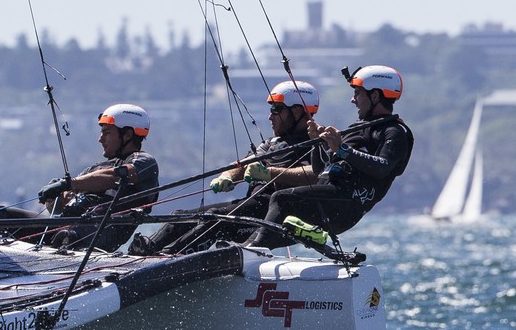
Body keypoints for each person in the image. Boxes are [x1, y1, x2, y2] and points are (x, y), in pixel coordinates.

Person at [134, 80, 322, 254]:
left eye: (276, 109)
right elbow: (243, 164)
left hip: (273, 212)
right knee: (181, 216)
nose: (270, 116)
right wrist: (227, 176)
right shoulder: (273, 143)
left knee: (215, 219)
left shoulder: (317, 141)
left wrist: (269, 173)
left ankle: (167, 260)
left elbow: (317, 175)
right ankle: (145, 251)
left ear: (297, 111)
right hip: (251, 206)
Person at [248, 65, 413, 249]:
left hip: (346, 205)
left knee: (281, 198)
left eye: (358, 93)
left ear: (375, 96)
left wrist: (341, 149)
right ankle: (247, 249)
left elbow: (383, 167)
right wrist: (317, 142)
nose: (353, 100)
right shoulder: (357, 128)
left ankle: (254, 249)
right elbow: (320, 171)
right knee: (278, 205)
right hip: (326, 197)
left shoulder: (395, 132)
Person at [36, 103, 161, 252]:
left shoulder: (145, 161)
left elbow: (115, 176)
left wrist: (68, 184)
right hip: (64, 227)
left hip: (91, 237)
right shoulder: (95, 168)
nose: (100, 139)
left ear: (127, 134)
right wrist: (54, 196)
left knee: (64, 236)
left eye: (106, 133)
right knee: (3, 216)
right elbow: (59, 207)